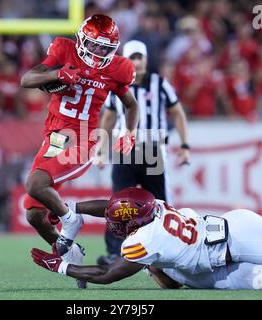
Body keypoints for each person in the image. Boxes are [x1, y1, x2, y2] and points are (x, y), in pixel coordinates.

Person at [20, 14, 139, 259]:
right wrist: (56, 74)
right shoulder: (64, 50)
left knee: (34, 184)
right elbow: (27, 79)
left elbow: (131, 104)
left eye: (104, 47)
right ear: (82, 39)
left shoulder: (119, 68)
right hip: (54, 137)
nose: (97, 51)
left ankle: (70, 219)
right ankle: (72, 255)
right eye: (94, 44)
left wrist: (130, 132)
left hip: (84, 138)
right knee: (33, 213)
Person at [30, 187, 262, 288]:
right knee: (171, 268)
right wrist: (70, 208)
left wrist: (61, 266)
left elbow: (107, 274)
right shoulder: (153, 206)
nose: (113, 224)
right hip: (234, 227)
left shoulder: (145, 240)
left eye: (119, 222)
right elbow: (112, 207)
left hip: (238, 242)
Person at [96, 40, 190, 265]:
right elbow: (108, 118)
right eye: (132, 58)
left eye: (140, 57)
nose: (136, 62)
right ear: (125, 61)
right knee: (118, 204)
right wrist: (100, 148)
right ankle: (115, 253)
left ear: (146, 59)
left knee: (160, 203)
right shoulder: (117, 85)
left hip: (153, 150)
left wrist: (185, 145)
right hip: (125, 150)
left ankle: (167, 251)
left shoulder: (160, 83)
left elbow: (177, 113)